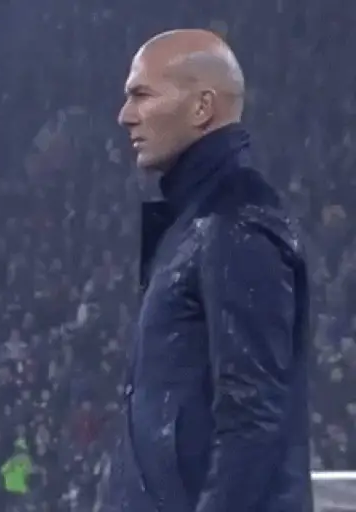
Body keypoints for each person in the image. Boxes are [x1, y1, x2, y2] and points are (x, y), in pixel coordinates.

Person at [107, 29, 313, 512]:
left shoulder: (235, 220)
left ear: (202, 108)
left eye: (142, 94)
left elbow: (253, 420)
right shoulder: (190, 222)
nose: (125, 115)